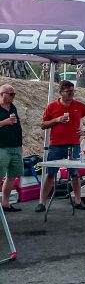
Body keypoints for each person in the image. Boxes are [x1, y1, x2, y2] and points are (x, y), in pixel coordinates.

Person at [38, 80, 85, 211]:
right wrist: (57, 120)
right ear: (61, 92)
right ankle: (42, 202)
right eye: (68, 92)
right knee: (51, 174)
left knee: (75, 174)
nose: (71, 94)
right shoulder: (52, 106)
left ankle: (78, 201)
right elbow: (43, 125)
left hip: (74, 144)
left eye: (73, 91)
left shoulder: (79, 106)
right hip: (56, 145)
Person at [0, 83, 23, 212]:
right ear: (2, 94)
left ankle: (5, 203)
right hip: (2, 147)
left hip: (16, 146)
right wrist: (5, 122)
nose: (14, 96)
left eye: (14, 94)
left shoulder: (12, 106)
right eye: (11, 94)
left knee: (12, 176)